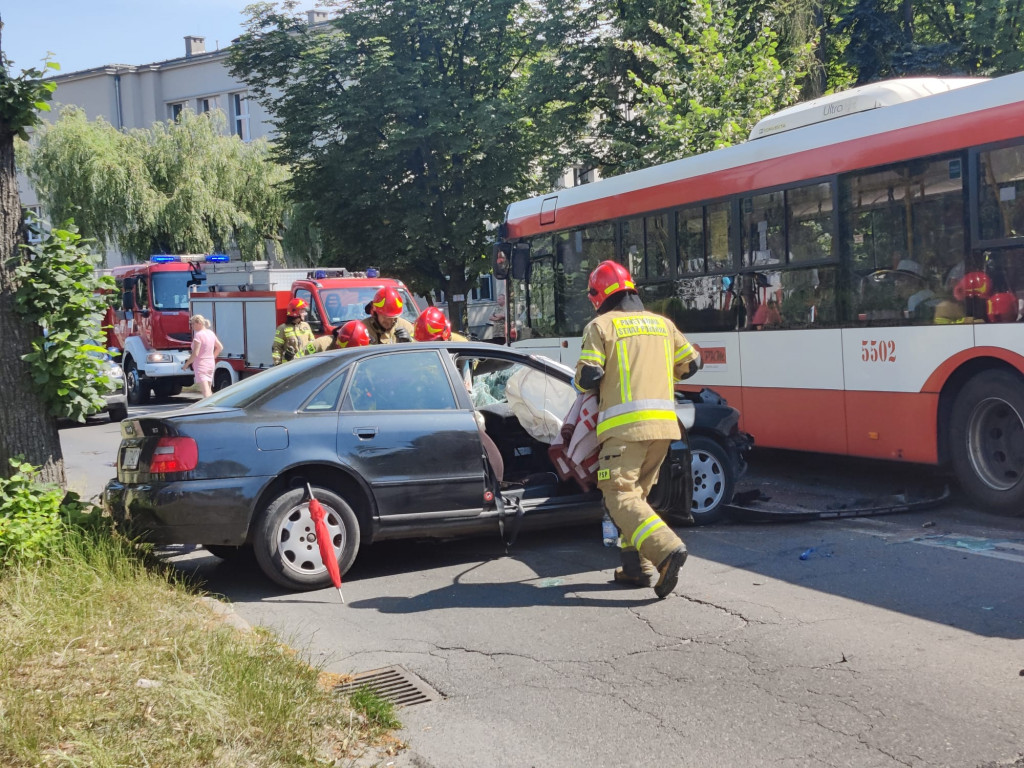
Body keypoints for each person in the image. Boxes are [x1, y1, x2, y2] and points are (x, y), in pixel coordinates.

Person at [575, 260, 702, 599]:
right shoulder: (663, 325)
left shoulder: (600, 326)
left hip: (624, 430)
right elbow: (692, 365)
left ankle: (666, 549)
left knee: (618, 495)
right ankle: (637, 567)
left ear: (598, 295)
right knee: (638, 498)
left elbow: (588, 377)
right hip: (663, 427)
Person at [182, 314, 223, 398]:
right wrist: (212, 357)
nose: (192, 326)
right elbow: (220, 347)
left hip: (201, 365)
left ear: (198, 323)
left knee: (205, 391)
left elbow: (195, 353)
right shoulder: (210, 333)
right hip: (210, 363)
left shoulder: (198, 335)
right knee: (209, 389)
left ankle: (209, 408)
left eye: (193, 324)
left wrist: (186, 364)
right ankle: (212, 407)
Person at [272, 297, 316, 365]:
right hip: (289, 366)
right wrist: (277, 365)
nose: (305, 313)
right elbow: (276, 349)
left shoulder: (306, 326)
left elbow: (313, 344)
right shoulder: (282, 329)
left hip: (306, 364)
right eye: (303, 311)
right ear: (295, 312)